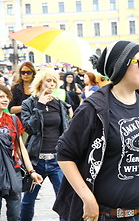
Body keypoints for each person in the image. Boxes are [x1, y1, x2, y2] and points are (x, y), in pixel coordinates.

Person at [53, 40, 139, 221]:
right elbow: (64, 155)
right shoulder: (94, 108)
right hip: (106, 215)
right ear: (121, 66)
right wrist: (87, 198)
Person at [20, 69, 72, 221]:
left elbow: (66, 130)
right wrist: (40, 106)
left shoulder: (60, 104)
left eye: (54, 81)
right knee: (28, 200)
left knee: (64, 200)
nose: (52, 84)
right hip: (36, 160)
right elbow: (30, 128)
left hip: (57, 160)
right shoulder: (28, 104)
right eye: (48, 80)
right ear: (40, 83)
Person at [0, 85, 43, 221]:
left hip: (14, 172)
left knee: (15, 215)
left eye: (7, 97)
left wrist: (31, 171)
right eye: (1, 97)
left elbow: (21, 148)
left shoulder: (12, 119)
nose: (5, 99)